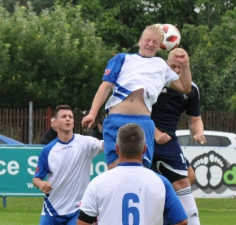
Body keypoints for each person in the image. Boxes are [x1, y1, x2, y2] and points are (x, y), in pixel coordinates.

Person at [82, 24, 192, 170]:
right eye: (148, 40)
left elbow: (185, 88)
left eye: (155, 42)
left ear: (160, 46)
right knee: (115, 171)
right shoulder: (122, 59)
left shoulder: (161, 65)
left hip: (143, 122)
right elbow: (105, 87)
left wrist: (185, 64)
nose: (150, 44)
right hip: (116, 120)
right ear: (140, 41)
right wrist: (92, 113)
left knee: (141, 171)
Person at [77, 123, 188, 225]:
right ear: (145, 149)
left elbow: (82, 223)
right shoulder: (161, 182)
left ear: (117, 149)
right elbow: (182, 221)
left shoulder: (98, 182)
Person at [151, 48, 206, 225]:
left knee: (187, 178)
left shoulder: (191, 90)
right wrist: (155, 132)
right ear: (166, 64)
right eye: (173, 66)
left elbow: (195, 119)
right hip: (143, 138)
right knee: (139, 184)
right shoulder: (152, 81)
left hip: (168, 141)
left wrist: (199, 132)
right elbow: (138, 112)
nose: (176, 71)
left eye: (180, 68)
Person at [33, 105, 104, 225]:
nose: (68, 119)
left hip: (77, 210)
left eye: (70, 117)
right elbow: (36, 178)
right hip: (51, 210)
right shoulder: (47, 150)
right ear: (55, 123)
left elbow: (106, 145)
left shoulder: (85, 143)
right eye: (64, 116)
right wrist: (41, 184)